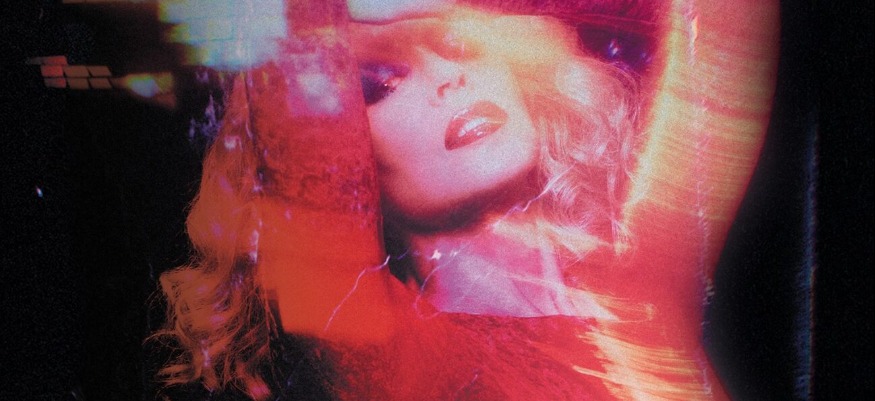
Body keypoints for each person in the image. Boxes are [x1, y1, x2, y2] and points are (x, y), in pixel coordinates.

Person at [151, 1, 779, 400]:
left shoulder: (643, 293)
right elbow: (295, 67)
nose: (449, 77)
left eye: (456, 46)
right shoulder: (393, 360)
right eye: (380, 83)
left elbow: (725, 29)